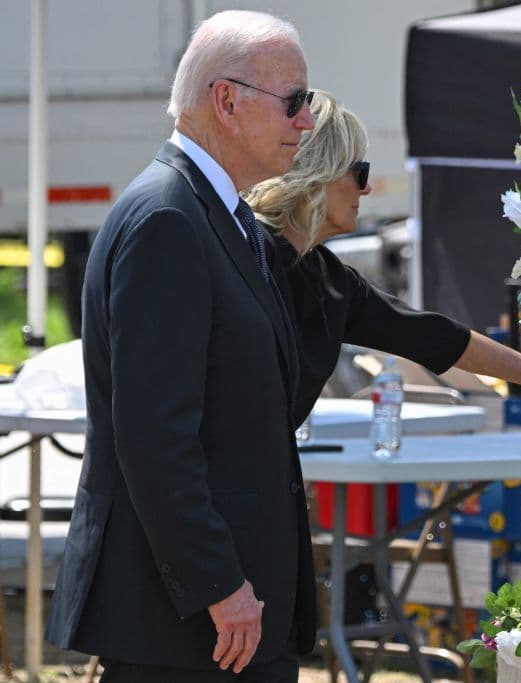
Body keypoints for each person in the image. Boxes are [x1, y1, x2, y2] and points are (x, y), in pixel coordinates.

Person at [47, 11, 318, 682]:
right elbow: (154, 435)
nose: (307, 121)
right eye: (294, 100)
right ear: (226, 101)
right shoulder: (169, 217)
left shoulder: (214, 211)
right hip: (191, 629)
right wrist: (218, 583)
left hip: (222, 623)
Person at [243, 92, 521, 426]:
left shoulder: (328, 279)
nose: (368, 188)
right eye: (360, 172)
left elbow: (435, 336)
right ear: (319, 173)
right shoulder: (245, 252)